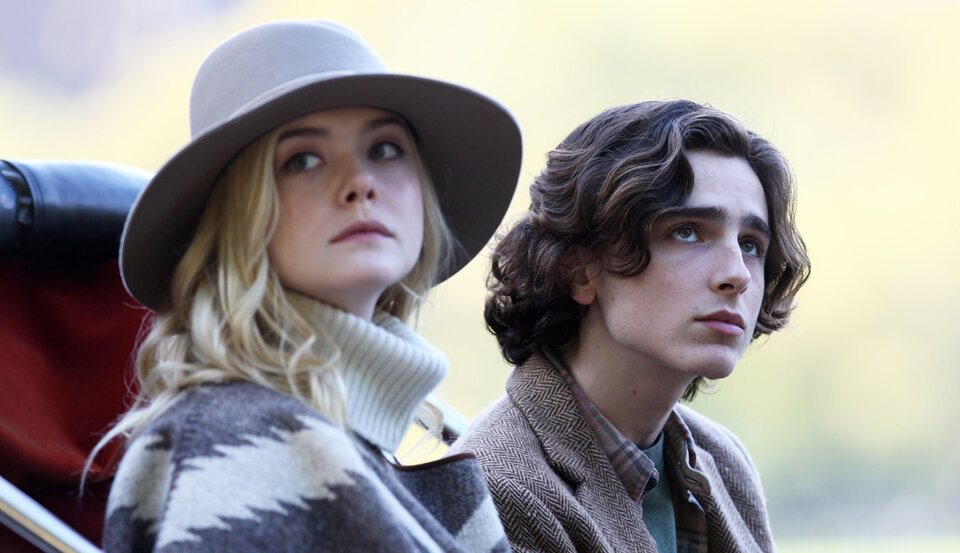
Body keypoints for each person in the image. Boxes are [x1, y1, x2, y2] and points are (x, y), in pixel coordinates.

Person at [91, 20, 522, 553]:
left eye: (385, 148)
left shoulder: (392, 450)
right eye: (302, 160)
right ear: (238, 221)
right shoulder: (235, 442)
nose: (360, 182)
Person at [450, 100, 810, 553]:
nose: (737, 274)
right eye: (686, 231)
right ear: (578, 269)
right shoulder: (497, 488)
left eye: (752, 244)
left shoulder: (722, 461)